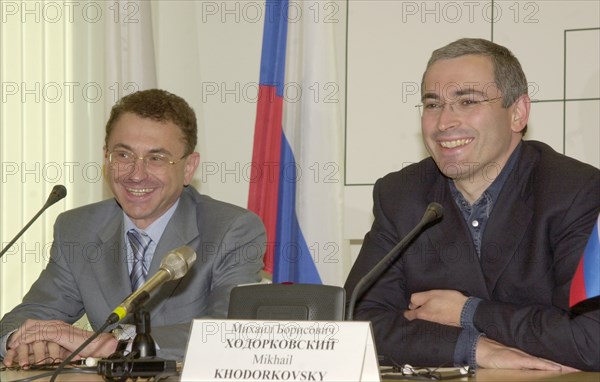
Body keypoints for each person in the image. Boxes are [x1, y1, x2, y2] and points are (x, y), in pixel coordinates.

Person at [344, 38, 600, 371]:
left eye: (467, 101)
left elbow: (591, 338)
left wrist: (468, 312)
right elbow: (357, 323)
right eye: (433, 104)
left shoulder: (576, 192)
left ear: (518, 113)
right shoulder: (401, 195)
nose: (444, 123)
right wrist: (473, 348)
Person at [0, 89, 266, 366]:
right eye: (124, 155)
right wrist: (22, 341)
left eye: (156, 158)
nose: (136, 175)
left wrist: (110, 345)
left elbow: (231, 332)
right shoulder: (78, 229)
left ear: (188, 168)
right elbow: (31, 314)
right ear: (106, 159)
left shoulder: (231, 229)